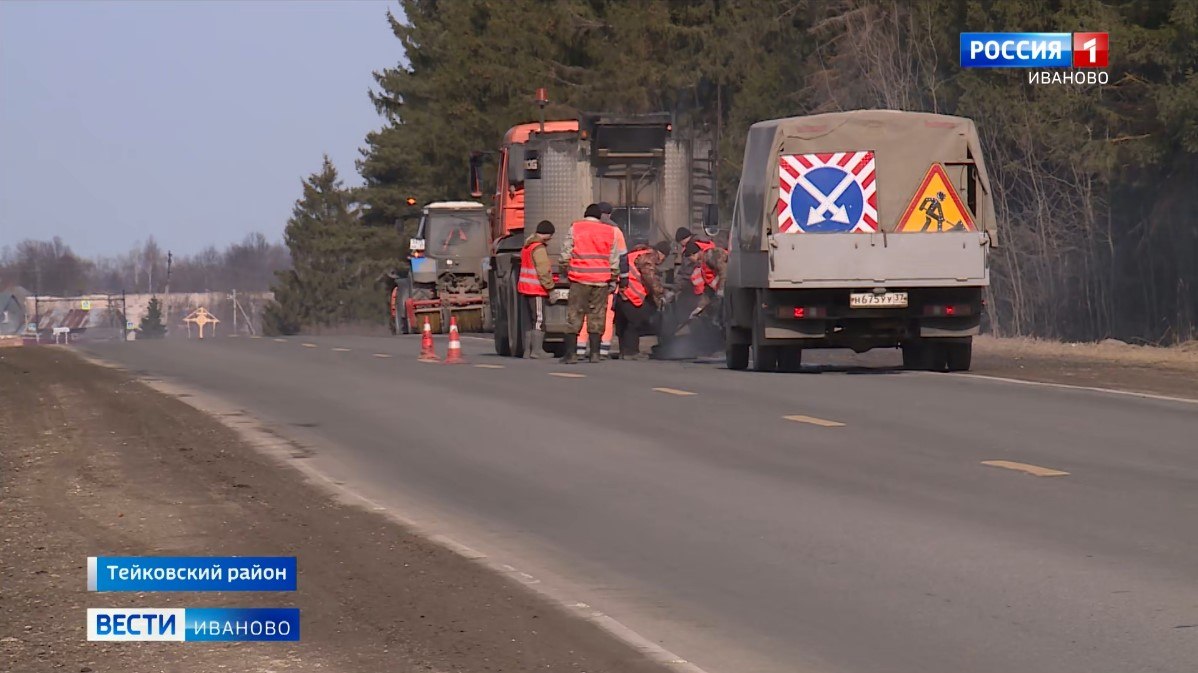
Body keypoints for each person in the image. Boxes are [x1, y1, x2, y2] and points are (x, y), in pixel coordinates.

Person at [559, 203, 621, 363]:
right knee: (597, 316)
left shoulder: (576, 228)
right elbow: (614, 259)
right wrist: (613, 278)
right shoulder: (610, 231)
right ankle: (594, 353)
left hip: (579, 279)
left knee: (575, 315)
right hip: (601, 281)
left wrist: (565, 270)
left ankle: (571, 354)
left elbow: (566, 253)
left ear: (585, 214)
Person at [614, 241, 669, 359]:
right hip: (632, 293)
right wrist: (660, 292)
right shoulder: (649, 256)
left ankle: (624, 350)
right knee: (634, 322)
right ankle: (631, 352)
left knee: (623, 323)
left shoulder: (635, 253)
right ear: (662, 254)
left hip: (621, 291)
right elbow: (649, 276)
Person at [517, 220, 555, 358]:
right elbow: (543, 270)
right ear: (548, 234)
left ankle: (528, 351)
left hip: (525, 288)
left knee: (530, 320)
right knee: (539, 320)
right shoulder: (538, 248)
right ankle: (537, 351)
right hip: (536, 289)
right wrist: (550, 288)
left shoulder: (527, 246)